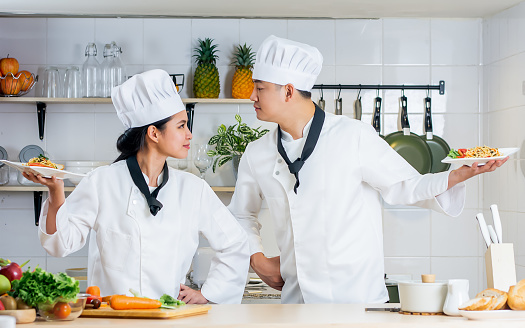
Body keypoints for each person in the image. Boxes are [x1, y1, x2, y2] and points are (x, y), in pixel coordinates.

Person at [227, 35, 508, 304]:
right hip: (297, 303)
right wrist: (257, 258)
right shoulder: (258, 152)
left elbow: (405, 185)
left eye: (260, 87)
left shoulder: (353, 135)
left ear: (288, 91)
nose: (251, 95)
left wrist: (457, 175)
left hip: (358, 303)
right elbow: (241, 213)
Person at [25, 69, 249, 304]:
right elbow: (59, 244)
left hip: (169, 318)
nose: (190, 134)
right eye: (181, 126)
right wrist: (55, 190)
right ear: (154, 133)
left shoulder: (194, 189)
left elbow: (235, 244)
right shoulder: (101, 182)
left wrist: (207, 294)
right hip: (113, 320)